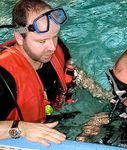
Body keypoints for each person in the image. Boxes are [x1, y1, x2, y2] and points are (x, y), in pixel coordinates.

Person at [0, 0, 76, 146]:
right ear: (19, 37)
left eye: (54, 36)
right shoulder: (3, 77)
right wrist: (21, 129)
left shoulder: (55, 47)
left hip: (53, 119)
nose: (52, 47)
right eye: (41, 42)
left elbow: (71, 73)